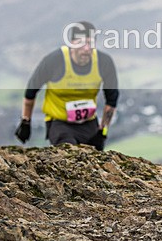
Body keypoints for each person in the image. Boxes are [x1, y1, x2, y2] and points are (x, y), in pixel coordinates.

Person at [15, 21, 118, 150]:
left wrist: (102, 132)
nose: (86, 49)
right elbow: (31, 91)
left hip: (89, 122)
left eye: (90, 43)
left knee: (94, 163)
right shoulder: (55, 60)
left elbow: (112, 100)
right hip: (59, 123)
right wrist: (26, 122)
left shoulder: (104, 62)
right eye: (81, 43)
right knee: (71, 156)